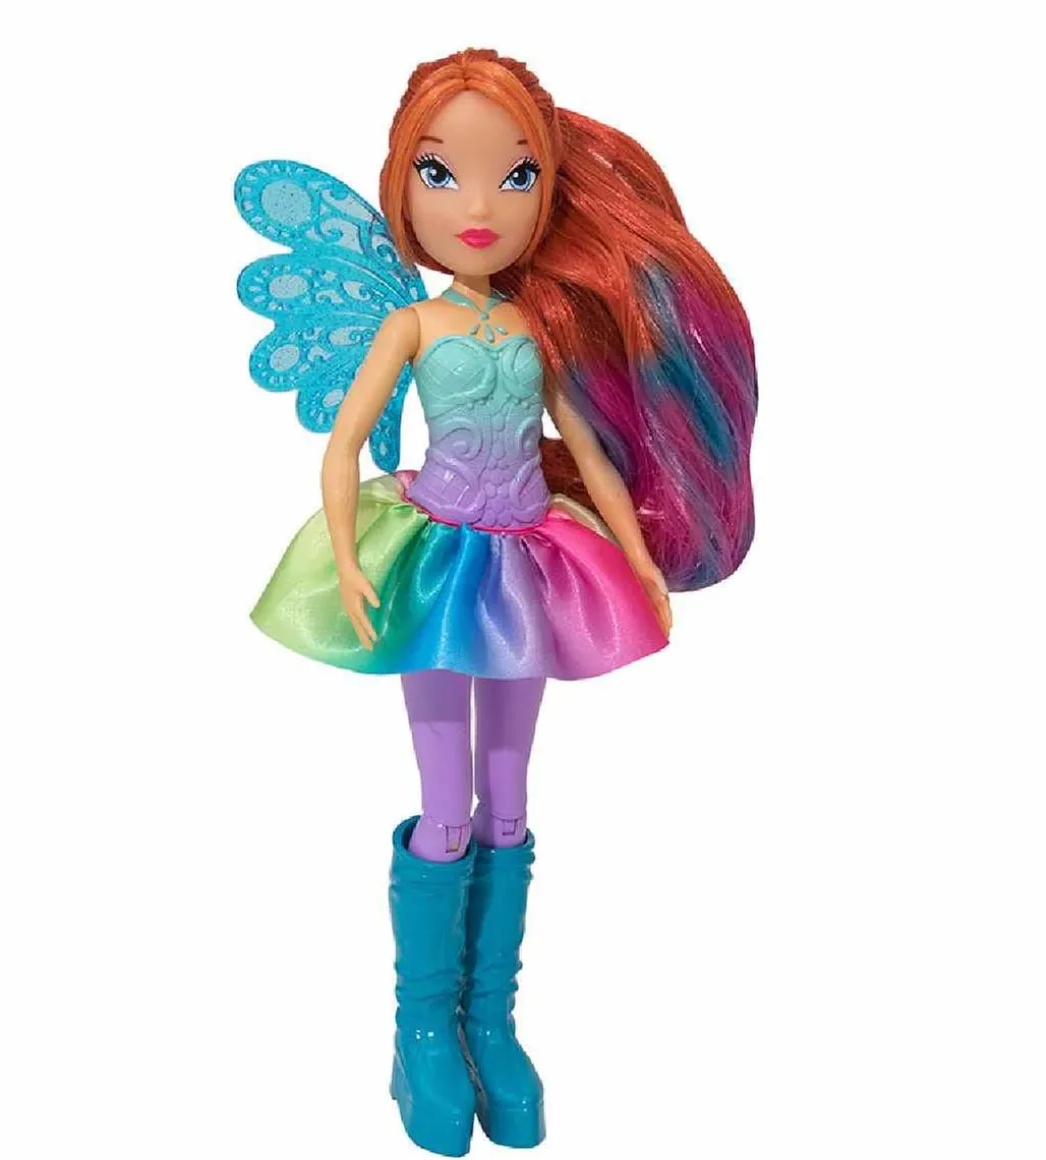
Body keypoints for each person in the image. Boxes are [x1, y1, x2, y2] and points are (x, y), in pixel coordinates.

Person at [235, 47, 757, 1157]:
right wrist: (347, 552)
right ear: (403, 186)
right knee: (446, 802)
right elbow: (342, 448)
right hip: (434, 568)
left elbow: (591, 455)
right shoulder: (411, 327)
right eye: (442, 173)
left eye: (514, 176)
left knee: (507, 801)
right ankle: (422, 1027)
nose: (477, 206)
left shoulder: (534, 329)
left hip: (525, 565)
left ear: (546, 192)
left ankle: (491, 1021)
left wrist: (639, 558)